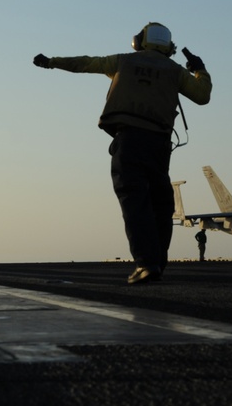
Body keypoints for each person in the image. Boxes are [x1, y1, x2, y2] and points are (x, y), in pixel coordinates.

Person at [33, 22, 212, 284]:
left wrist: (51, 62)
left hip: (129, 141)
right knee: (161, 205)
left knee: (134, 201)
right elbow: (203, 95)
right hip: (159, 147)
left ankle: (146, 264)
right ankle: (157, 264)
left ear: (140, 41)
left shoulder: (123, 62)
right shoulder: (175, 72)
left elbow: (85, 63)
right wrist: (200, 69)